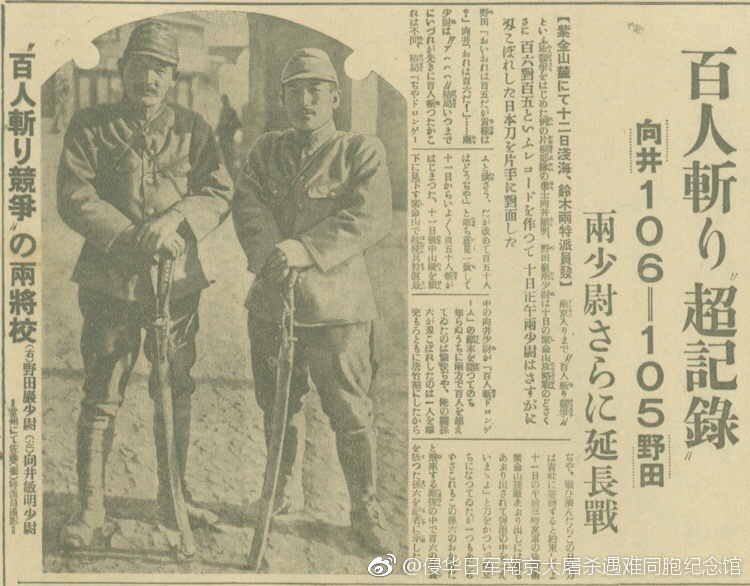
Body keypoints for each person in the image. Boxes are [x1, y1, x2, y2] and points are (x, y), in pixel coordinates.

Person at [57, 20, 232, 548]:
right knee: (102, 390)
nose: (149, 78)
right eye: (140, 66)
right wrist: (136, 236)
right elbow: (74, 195)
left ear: (173, 75)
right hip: (111, 280)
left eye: (160, 69)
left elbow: (217, 191)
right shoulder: (90, 124)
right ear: (122, 70)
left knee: (173, 388)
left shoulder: (194, 128)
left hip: (176, 285)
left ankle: (172, 497)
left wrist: (176, 220)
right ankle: (89, 509)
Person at [232, 48, 395, 551]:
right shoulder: (265, 151)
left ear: (334, 97)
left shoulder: (360, 150)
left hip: (336, 310)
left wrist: (306, 248)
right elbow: (248, 204)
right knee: (277, 406)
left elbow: (369, 216)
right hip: (274, 301)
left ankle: (366, 510)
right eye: (295, 90)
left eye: (315, 90)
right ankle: (279, 491)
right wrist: (271, 254)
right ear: (282, 99)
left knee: (349, 411)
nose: (305, 100)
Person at [216, 94, 241, 176]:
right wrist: (216, 131)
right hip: (223, 137)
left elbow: (238, 124)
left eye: (225, 101)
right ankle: (228, 170)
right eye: (222, 101)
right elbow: (220, 124)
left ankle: (232, 172)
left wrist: (230, 128)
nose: (224, 102)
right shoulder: (222, 111)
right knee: (224, 154)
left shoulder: (231, 111)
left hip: (228, 136)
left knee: (229, 154)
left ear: (227, 101)